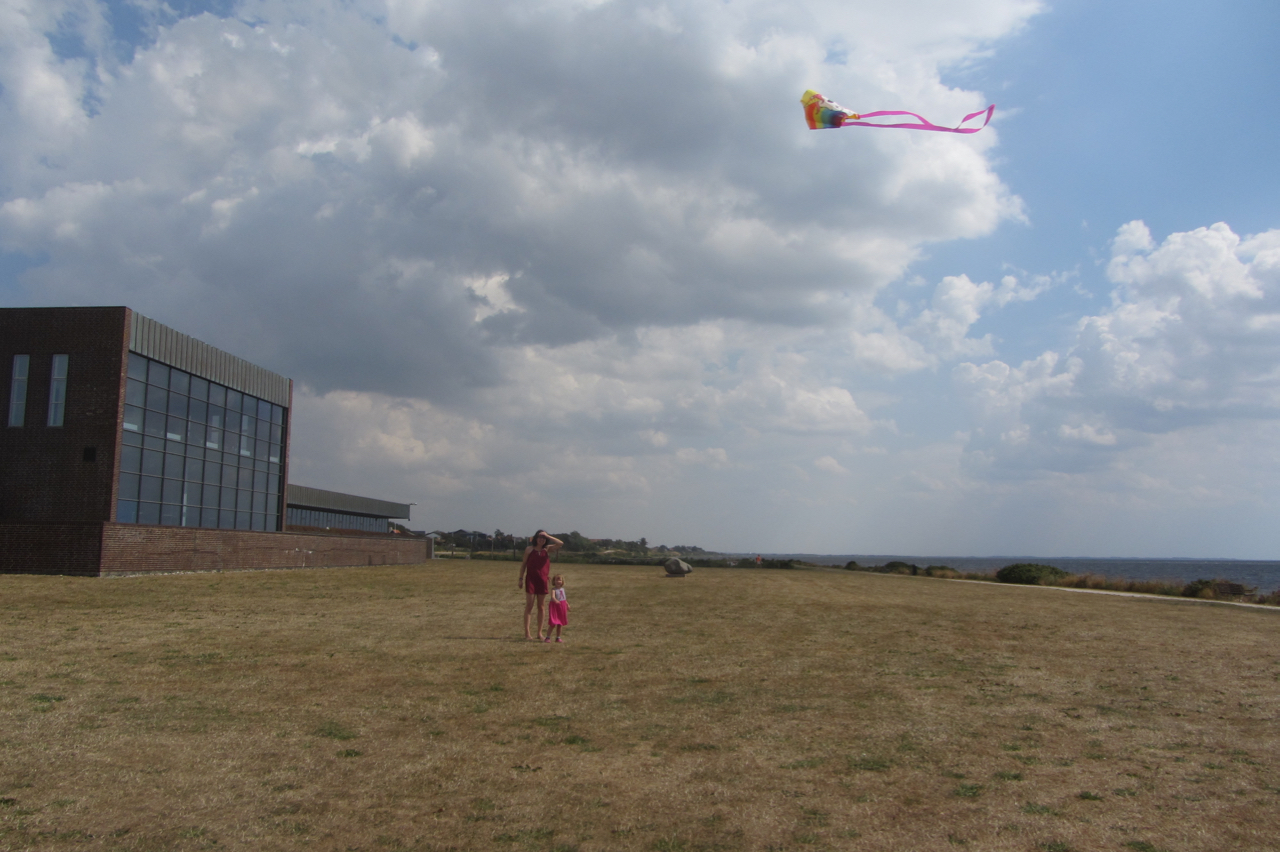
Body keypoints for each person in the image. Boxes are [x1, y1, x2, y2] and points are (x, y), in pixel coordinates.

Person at [518, 530, 563, 640]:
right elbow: (523, 565)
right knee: (529, 605)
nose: (541, 539)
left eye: (543, 538)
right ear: (535, 538)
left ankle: (539, 633)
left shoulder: (547, 549)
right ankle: (527, 633)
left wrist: (547, 535)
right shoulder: (529, 549)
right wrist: (520, 578)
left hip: (543, 580)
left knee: (541, 607)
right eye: (539, 537)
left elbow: (560, 543)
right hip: (531, 580)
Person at [544, 574, 570, 643]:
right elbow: (552, 597)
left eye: (560, 580)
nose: (558, 581)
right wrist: (555, 600)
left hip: (562, 606)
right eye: (556, 580)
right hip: (555, 607)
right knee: (553, 623)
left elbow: (564, 598)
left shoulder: (562, 589)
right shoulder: (554, 590)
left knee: (560, 623)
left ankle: (558, 637)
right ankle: (548, 637)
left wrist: (567, 604)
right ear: (554, 581)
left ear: (562, 581)